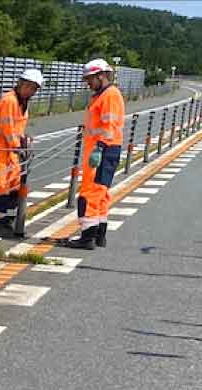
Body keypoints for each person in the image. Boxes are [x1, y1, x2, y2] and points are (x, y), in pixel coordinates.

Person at [62, 59, 124, 249]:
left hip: (102, 150)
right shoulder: (101, 95)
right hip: (104, 148)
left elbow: (109, 125)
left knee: (90, 193)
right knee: (100, 193)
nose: (87, 83)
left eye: (90, 79)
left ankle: (87, 237)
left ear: (101, 76)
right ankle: (99, 235)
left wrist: (99, 147)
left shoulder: (109, 95)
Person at [0, 69, 42, 238]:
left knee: (14, 186)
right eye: (28, 87)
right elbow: (8, 129)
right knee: (0, 187)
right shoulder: (9, 100)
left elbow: (17, 129)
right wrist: (19, 146)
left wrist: (24, 140)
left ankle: (7, 221)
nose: (30, 91)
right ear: (20, 84)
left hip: (11, 151)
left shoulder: (22, 102)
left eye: (34, 88)